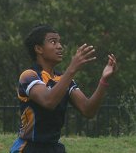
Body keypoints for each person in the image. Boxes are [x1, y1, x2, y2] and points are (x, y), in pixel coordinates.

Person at [10, 25, 117, 153]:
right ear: (39, 48)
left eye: (59, 42)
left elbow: (88, 110)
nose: (60, 46)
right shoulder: (29, 75)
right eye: (53, 42)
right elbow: (48, 101)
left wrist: (103, 81)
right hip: (29, 148)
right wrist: (72, 68)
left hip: (55, 148)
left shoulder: (63, 79)